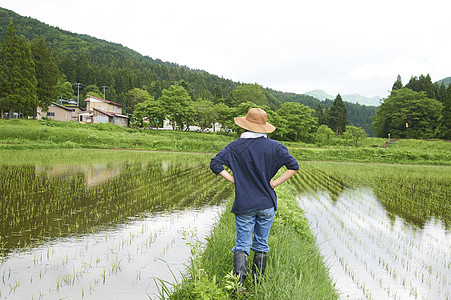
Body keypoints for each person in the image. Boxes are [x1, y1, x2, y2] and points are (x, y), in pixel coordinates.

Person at [210, 107, 299, 290]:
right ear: (263, 127)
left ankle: (238, 287)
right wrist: (273, 184)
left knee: (242, 244)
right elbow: (293, 166)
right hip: (267, 203)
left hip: (245, 203)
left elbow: (215, 163)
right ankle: (258, 285)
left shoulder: (235, 146)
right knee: (261, 244)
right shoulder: (275, 147)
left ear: (245, 125)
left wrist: (235, 180)